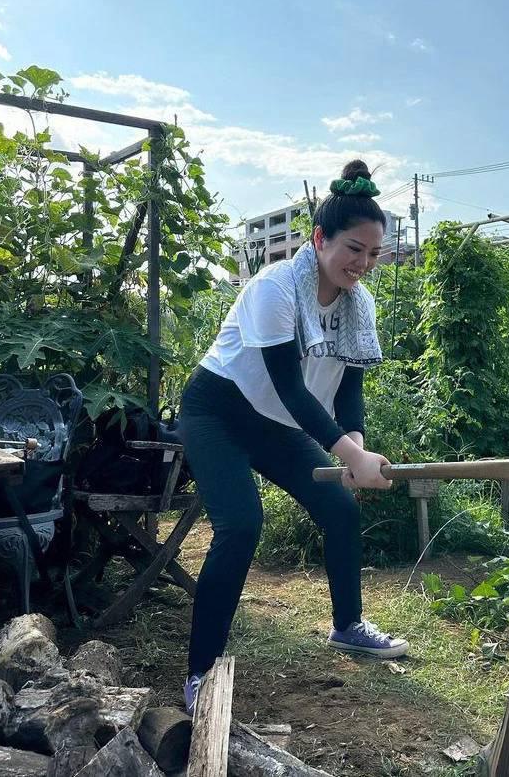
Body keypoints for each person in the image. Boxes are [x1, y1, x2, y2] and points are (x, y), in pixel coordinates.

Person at [177, 159, 407, 715]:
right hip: (218, 410)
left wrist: (355, 452)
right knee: (240, 524)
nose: (363, 264)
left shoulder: (359, 305)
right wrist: (349, 453)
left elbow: (347, 391)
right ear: (320, 239)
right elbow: (291, 388)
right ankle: (201, 673)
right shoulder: (276, 288)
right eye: (354, 248)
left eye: (374, 253)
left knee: (339, 506)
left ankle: (348, 625)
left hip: (276, 423)